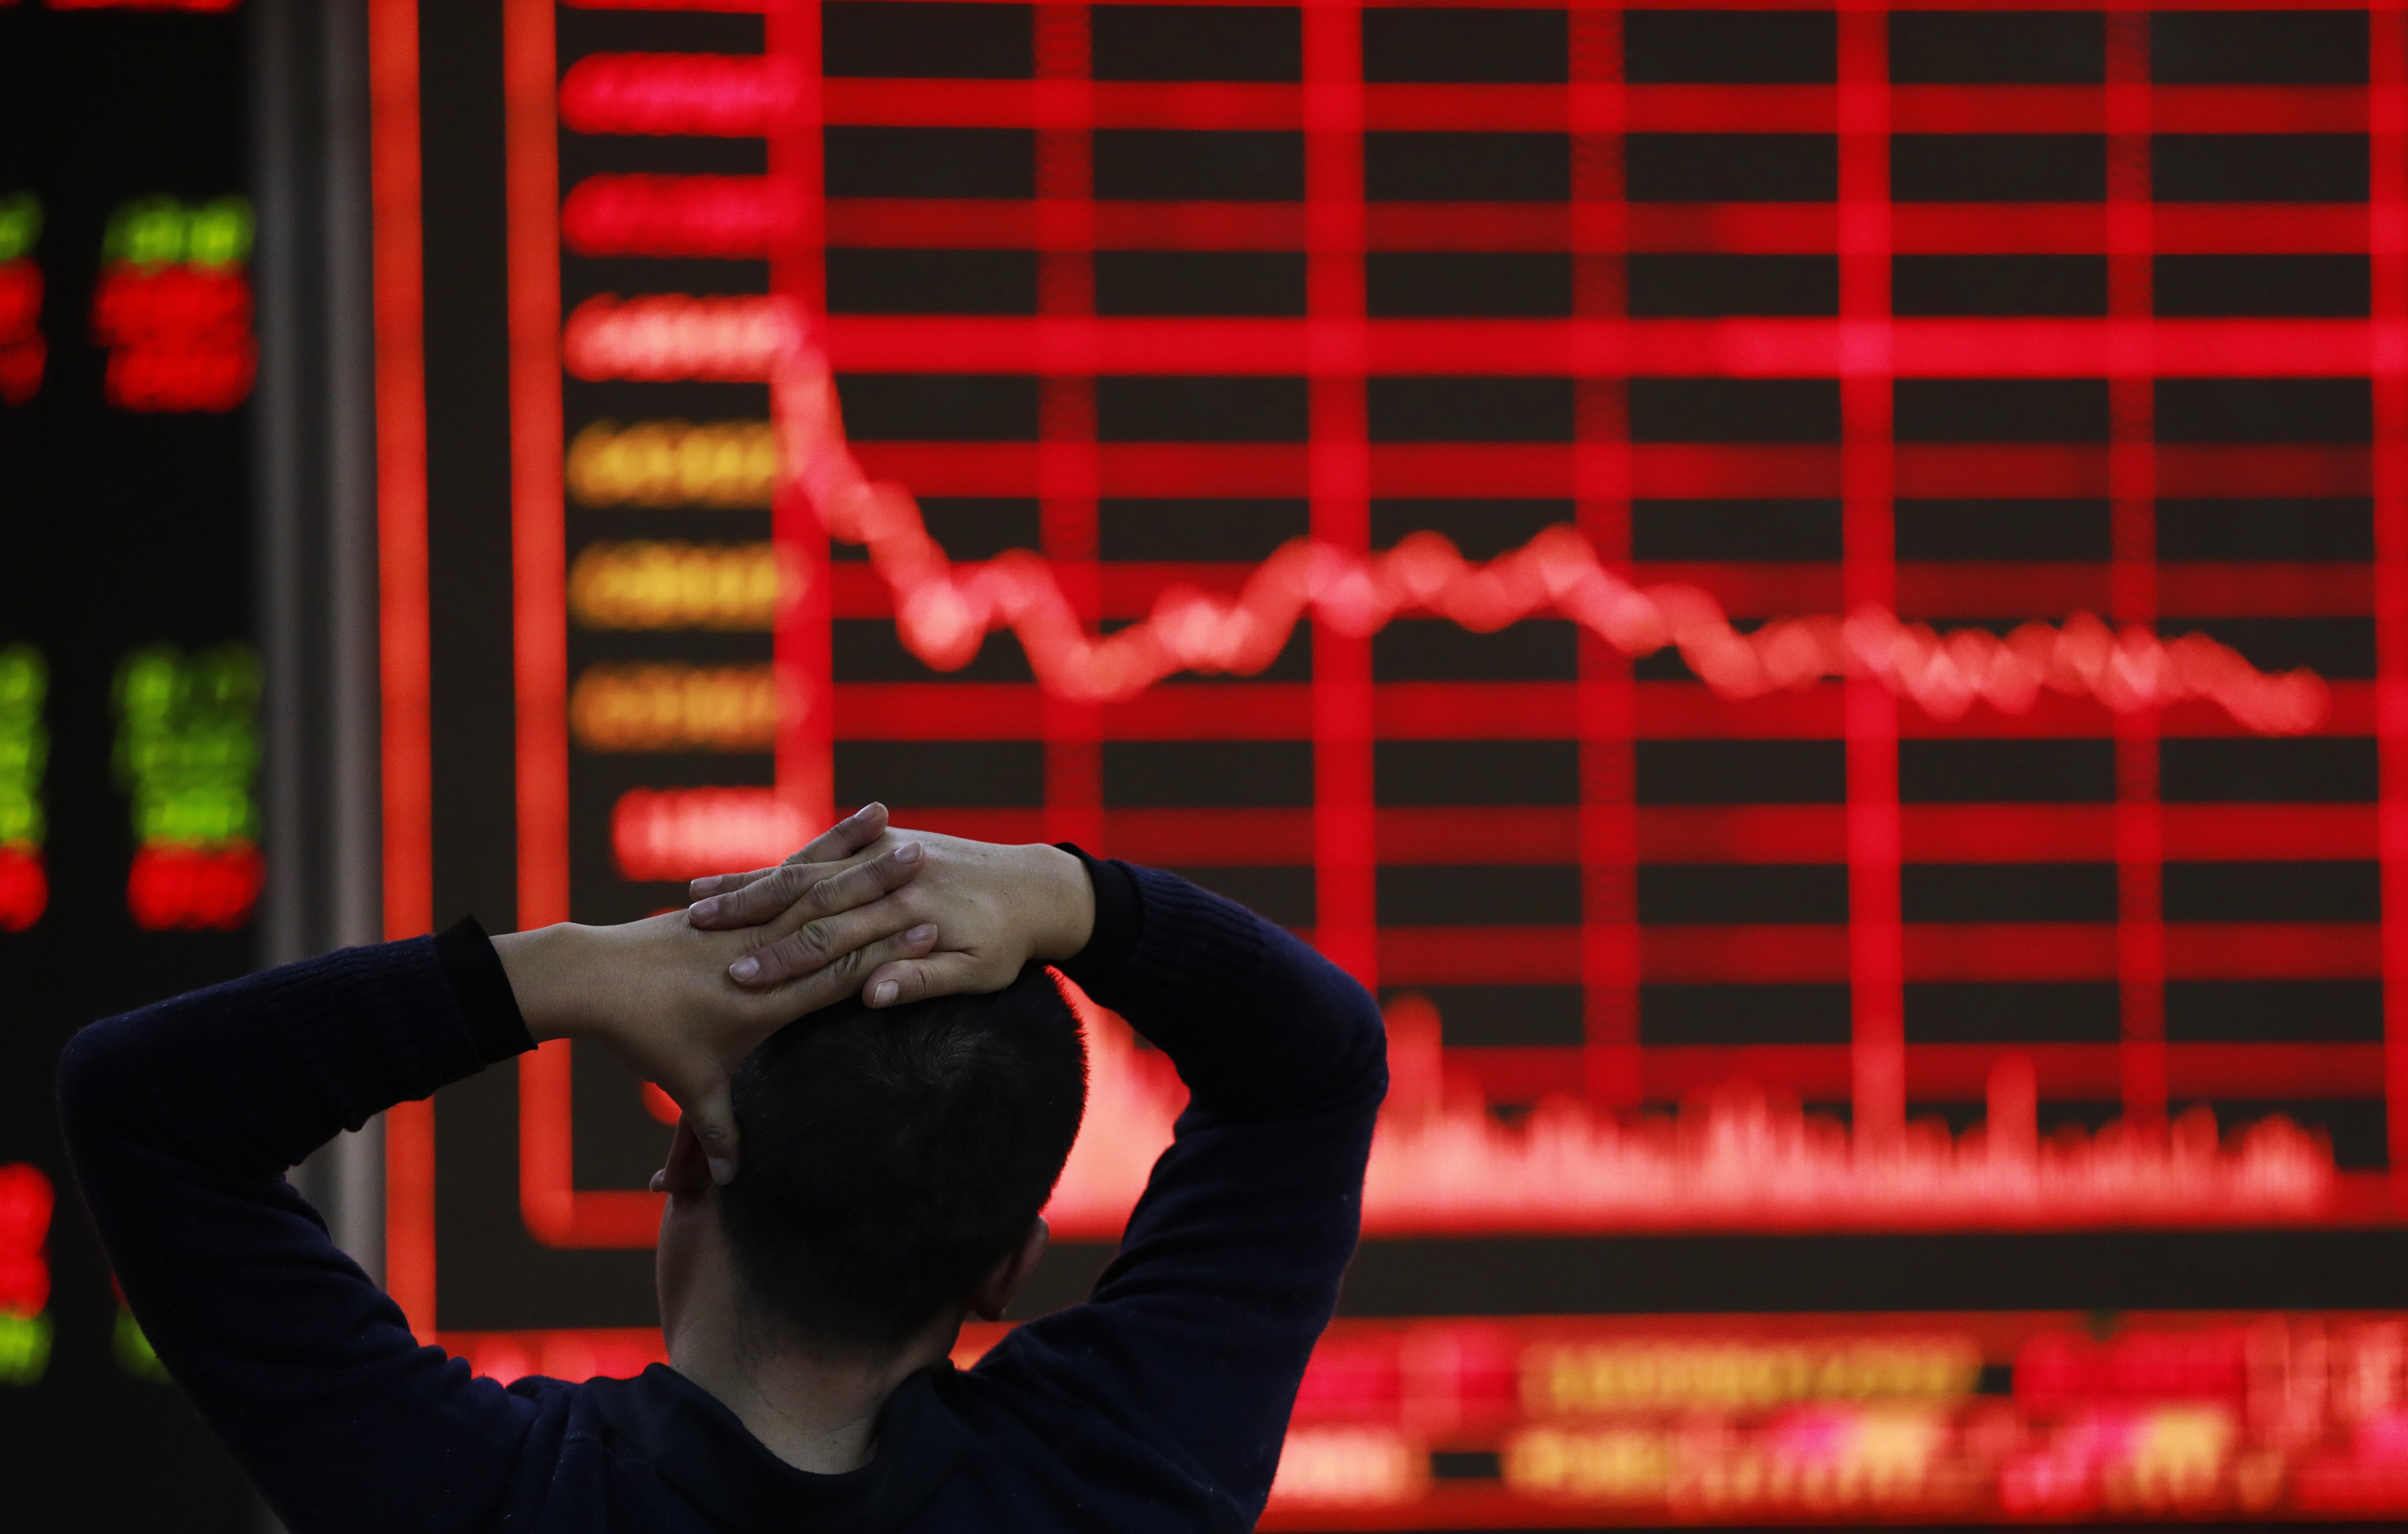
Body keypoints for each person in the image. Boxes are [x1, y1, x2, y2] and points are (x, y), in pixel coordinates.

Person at [57, 805, 1386, 1533]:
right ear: (1005, 1271)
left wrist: (563, 969)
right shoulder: (1119, 1485)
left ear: (689, 1146)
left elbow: (144, 1106)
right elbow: (1314, 1068)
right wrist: (1073, 896)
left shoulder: (493, 1501)